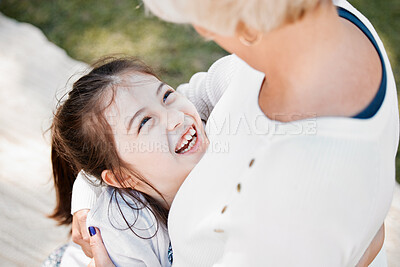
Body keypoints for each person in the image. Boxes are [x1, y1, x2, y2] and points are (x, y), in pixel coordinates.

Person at [72, 0, 399, 266]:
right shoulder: (261, 63)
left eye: (201, 19)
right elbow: (116, 146)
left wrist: (362, 253)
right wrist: (86, 202)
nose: (202, 31)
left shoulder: (300, 201)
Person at [50, 57, 212, 266]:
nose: (176, 118)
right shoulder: (124, 229)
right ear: (121, 177)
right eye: (144, 122)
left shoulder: (213, 127)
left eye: (166, 95)